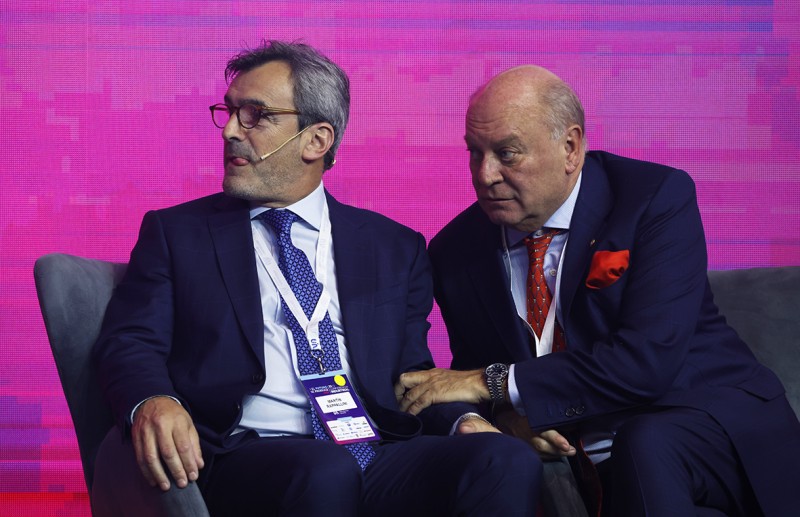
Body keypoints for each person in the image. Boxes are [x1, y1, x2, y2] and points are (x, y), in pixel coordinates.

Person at [91, 41, 542, 517]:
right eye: (229, 112)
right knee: (326, 470)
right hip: (246, 454)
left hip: (372, 448)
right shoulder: (178, 234)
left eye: (255, 115)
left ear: (316, 140)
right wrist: (153, 399)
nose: (230, 130)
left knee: (503, 458)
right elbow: (130, 341)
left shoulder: (393, 247)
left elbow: (411, 374)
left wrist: (462, 420)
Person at [394, 65, 800, 516]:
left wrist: (493, 382)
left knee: (646, 442)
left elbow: (646, 362)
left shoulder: (653, 199)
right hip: (580, 453)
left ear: (570, 147)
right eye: (475, 152)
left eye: (507, 154)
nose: (485, 174)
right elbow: (471, 376)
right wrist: (506, 415)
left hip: (704, 418)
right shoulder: (455, 251)